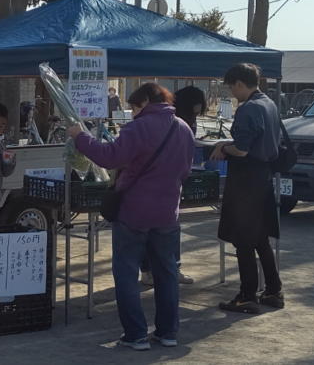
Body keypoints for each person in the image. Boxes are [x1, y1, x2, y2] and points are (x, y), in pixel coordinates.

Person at [68, 83, 194, 351]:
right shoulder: (183, 128)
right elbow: (186, 170)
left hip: (134, 212)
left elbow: (109, 158)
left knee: (126, 273)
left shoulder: (138, 128)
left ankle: (135, 335)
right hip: (167, 213)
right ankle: (168, 332)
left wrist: (80, 137)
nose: (133, 112)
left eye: (135, 107)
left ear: (145, 102)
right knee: (167, 273)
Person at [210, 63, 283, 314]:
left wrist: (222, 147)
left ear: (240, 84)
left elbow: (241, 150)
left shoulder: (249, 109)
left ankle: (247, 295)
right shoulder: (269, 104)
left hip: (245, 182)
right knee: (261, 238)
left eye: (232, 88)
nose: (232, 93)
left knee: (243, 240)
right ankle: (273, 290)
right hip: (264, 178)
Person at [141, 85, 208, 287]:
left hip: (171, 185)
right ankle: (149, 271)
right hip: (154, 185)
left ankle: (170, 269)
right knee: (150, 231)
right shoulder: (167, 120)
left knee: (168, 230)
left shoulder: (187, 123)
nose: (196, 115)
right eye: (195, 109)